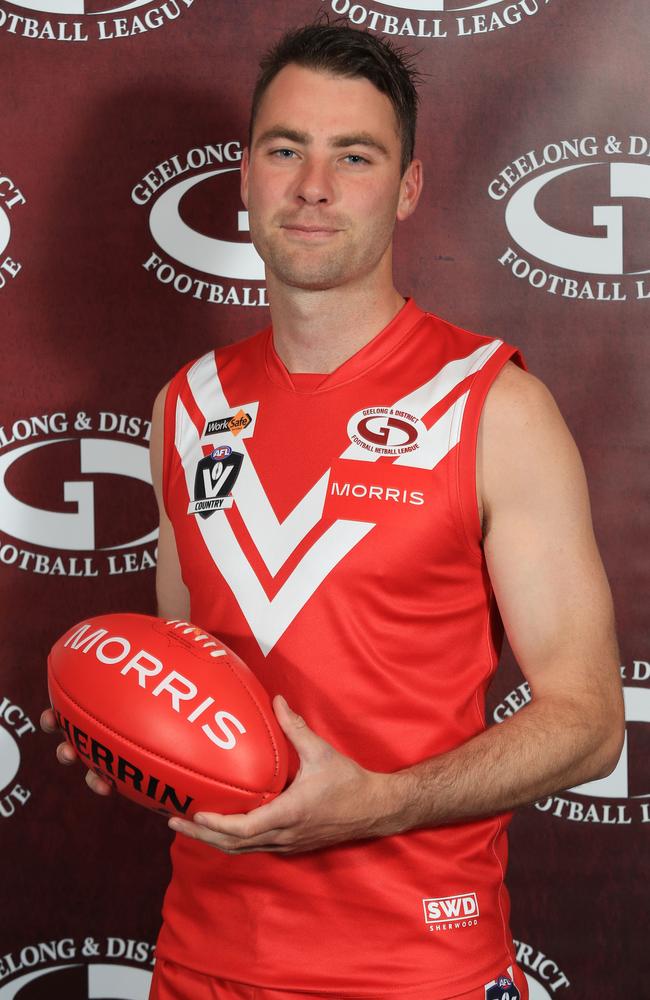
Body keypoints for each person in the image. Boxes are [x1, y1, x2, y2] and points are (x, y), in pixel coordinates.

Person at [42, 22, 624, 1000]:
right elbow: (192, 668)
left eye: (352, 155)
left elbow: (589, 721)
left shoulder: (491, 405)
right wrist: (131, 741)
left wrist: (377, 802)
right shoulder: (183, 409)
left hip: (417, 969)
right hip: (202, 965)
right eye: (284, 149)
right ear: (244, 175)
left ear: (405, 189)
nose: (312, 185)